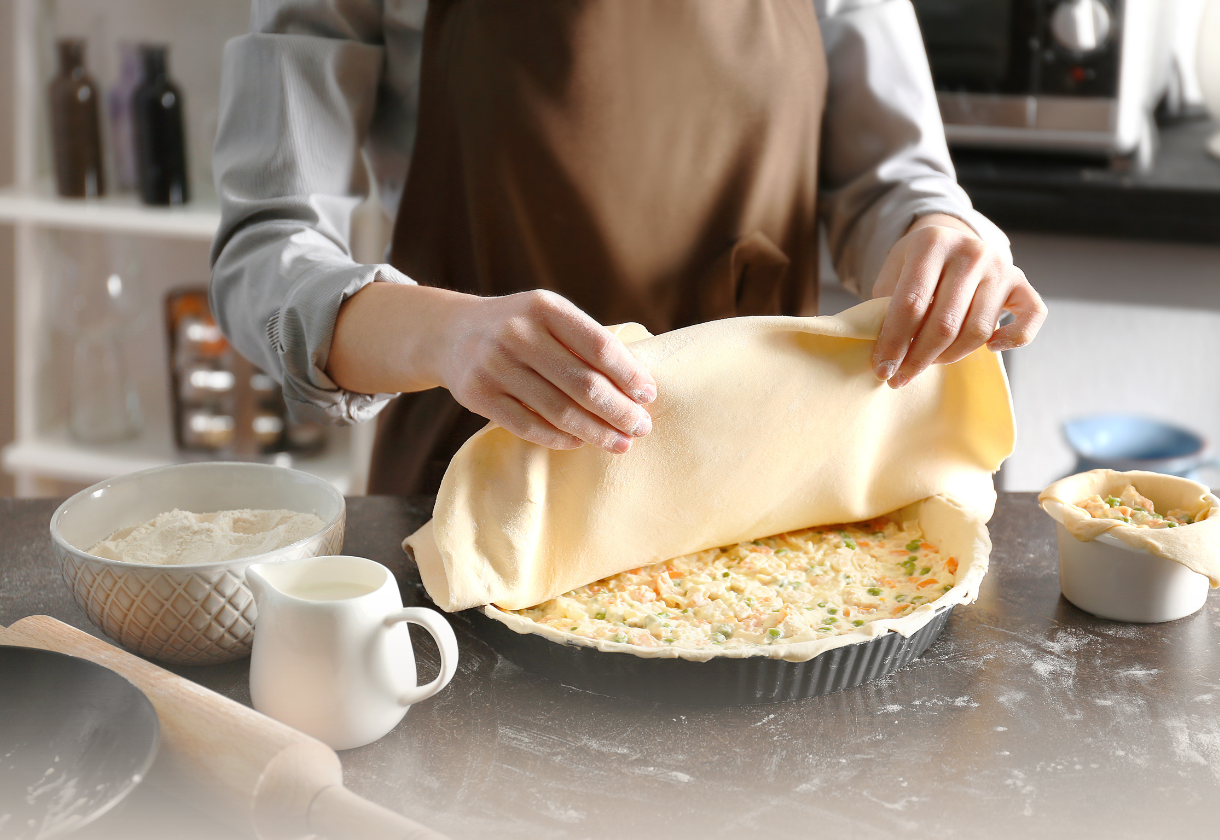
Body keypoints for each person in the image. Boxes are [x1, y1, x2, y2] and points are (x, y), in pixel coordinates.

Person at [210, 0, 1046, 496]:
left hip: (755, 488)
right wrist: (443, 333)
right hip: (476, 485)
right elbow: (266, 245)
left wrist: (938, 238)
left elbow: (888, 185)